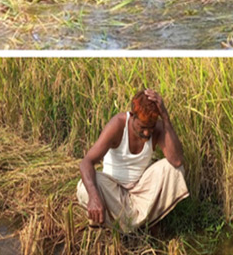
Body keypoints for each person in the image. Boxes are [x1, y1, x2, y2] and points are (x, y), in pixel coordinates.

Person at [77, 89, 189, 233]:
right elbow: (86, 162)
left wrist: (166, 118)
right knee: (84, 188)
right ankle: (138, 224)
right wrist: (94, 197)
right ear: (132, 116)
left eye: (151, 127)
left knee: (174, 170)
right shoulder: (118, 125)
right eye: (142, 127)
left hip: (140, 193)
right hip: (114, 192)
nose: (147, 133)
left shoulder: (159, 127)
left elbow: (177, 160)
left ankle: (133, 223)